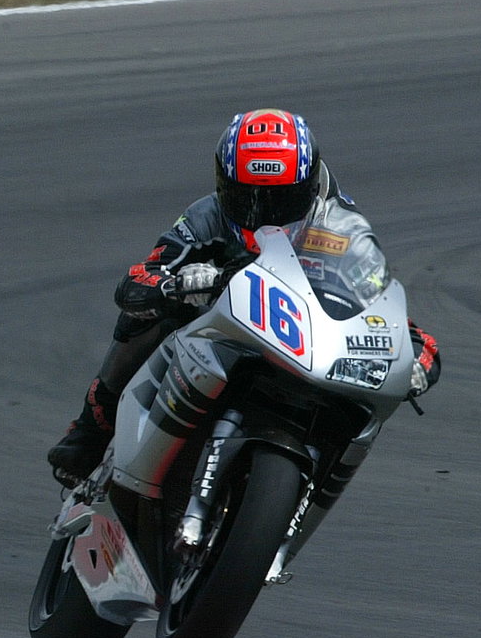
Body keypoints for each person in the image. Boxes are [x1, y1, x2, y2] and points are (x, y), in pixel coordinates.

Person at [46, 108, 442, 487]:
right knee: (144, 318)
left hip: (303, 346)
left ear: (308, 188)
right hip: (215, 331)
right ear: (224, 185)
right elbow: (138, 279)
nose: (260, 214)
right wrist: (175, 286)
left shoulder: (341, 229)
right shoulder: (206, 216)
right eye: (245, 197)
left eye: (279, 201)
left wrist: (416, 358)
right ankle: (90, 430)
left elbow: (381, 307)